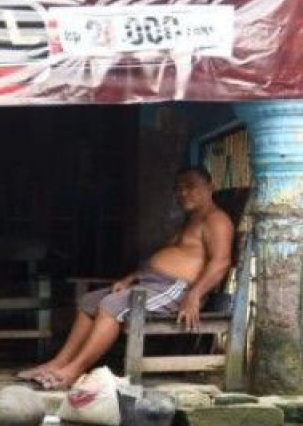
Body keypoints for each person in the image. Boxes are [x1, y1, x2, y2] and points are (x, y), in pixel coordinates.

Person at [18, 166, 233, 390]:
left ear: (210, 188)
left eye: (191, 187)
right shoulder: (191, 220)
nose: (183, 193)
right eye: (178, 188)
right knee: (89, 302)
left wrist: (194, 296)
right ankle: (58, 363)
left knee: (112, 305)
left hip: (177, 290)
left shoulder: (216, 220)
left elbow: (221, 262)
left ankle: (73, 371)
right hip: (154, 284)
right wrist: (132, 277)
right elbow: (167, 258)